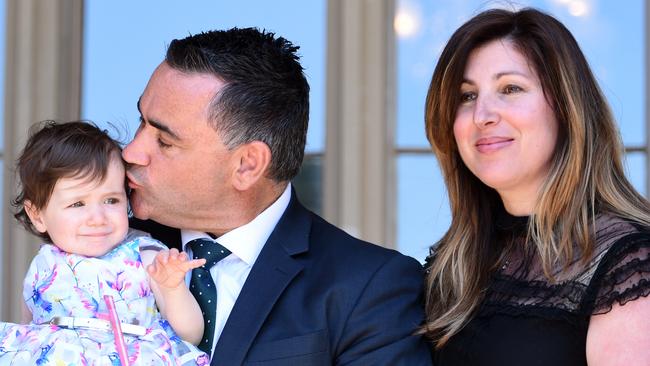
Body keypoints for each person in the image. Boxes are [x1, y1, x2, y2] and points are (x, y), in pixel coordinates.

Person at [126, 27, 432, 365]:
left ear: (247, 165)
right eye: (142, 123)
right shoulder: (94, 243)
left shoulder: (369, 289)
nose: (131, 152)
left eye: (165, 142)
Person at [421, 7, 650, 365]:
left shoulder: (630, 263)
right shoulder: (455, 263)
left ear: (565, 106)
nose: (483, 115)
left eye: (510, 88)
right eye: (466, 96)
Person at [0, 121, 210, 365]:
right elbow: (30, 334)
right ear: (37, 215)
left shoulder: (145, 253)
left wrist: (173, 288)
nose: (97, 219)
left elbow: (191, 334)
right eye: (77, 204)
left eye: (111, 200)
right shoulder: (44, 263)